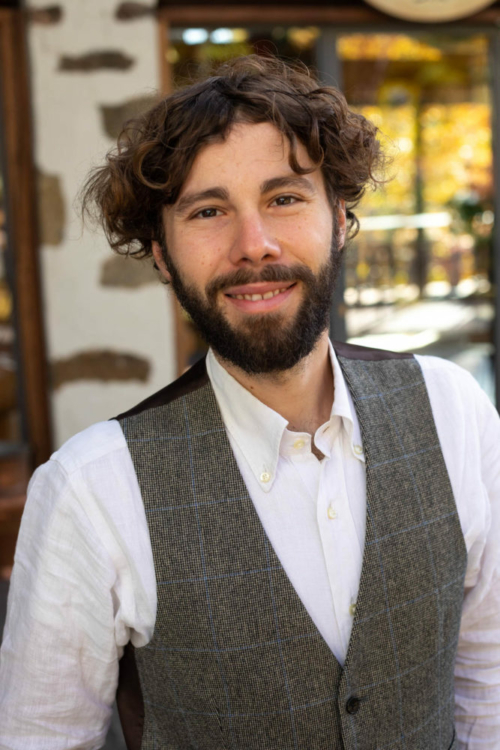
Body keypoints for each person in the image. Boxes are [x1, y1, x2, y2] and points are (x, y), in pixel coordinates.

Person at [0, 55, 499, 750]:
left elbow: (489, 680)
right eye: (208, 211)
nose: (253, 245)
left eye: (285, 198)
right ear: (162, 254)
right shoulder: (89, 491)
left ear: (341, 219)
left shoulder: (455, 413)